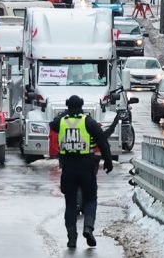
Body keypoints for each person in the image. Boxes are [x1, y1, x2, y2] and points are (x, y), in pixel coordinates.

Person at [49, 95, 114, 249]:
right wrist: (108, 161)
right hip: (86, 165)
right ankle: (88, 228)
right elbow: (102, 143)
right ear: (82, 106)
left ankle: (72, 239)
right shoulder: (88, 122)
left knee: (70, 204)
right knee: (91, 198)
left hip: (68, 167)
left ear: (67, 106)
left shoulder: (61, 122)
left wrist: (65, 113)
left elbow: (53, 124)